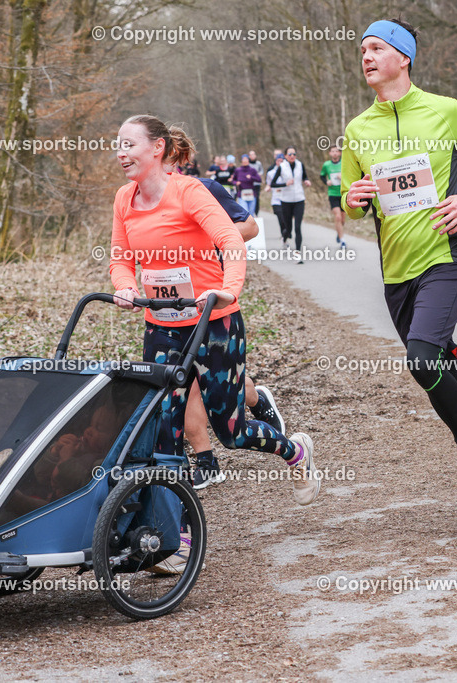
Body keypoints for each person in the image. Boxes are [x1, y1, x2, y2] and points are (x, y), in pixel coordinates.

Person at [342, 19, 457, 525]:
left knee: (422, 360)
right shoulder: (357, 129)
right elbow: (353, 201)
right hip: (396, 271)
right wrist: (353, 198)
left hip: (447, 257)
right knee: (442, 372)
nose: (366, 57)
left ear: (404, 57)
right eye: (362, 50)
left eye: (376, 48)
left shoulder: (446, 112)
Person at [110, 114, 320, 506]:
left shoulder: (190, 191)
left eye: (129, 144)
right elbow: (121, 258)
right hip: (161, 325)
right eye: (117, 146)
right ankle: (172, 529)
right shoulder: (124, 198)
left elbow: (231, 241)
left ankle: (295, 453)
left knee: (232, 431)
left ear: (157, 148)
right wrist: (125, 286)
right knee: (164, 429)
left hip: (214, 323)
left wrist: (228, 289)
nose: (121, 153)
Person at [161, 134, 287, 489]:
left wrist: (209, 242)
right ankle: (207, 460)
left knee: (204, 384)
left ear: (176, 158)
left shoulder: (205, 188)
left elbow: (249, 226)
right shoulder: (143, 200)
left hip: (213, 303)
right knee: (186, 384)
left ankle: (253, 403)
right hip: (172, 311)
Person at [279, 146, 311, 262]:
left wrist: (306, 181)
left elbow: (304, 176)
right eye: (290, 154)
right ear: (285, 156)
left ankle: (298, 254)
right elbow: (273, 183)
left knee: (297, 227)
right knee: (289, 229)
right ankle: (284, 238)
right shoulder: (282, 166)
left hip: (299, 199)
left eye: (294, 154)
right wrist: (285, 184)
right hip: (286, 200)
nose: (292, 156)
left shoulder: (300, 165)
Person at [320, 145, 347, 249]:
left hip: (343, 193)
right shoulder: (326, 165)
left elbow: (350, 176)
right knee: (338, 216)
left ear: (339, 153)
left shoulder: (344, 163)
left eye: (336, 151)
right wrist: (326, 182)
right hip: (332, 194)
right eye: (333, 151)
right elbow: (322, 176)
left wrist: (343, 177)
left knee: (343, 219)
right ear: (330, 153)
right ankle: (342, 240)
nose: (335, 153)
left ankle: (339, 232)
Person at [264, 150, 291, 243]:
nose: (280, 163)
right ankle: (284, 233)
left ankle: (286, 233)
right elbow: (269, 184)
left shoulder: (288, 172)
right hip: (276, 199)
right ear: (276, 161)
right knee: (280, 217)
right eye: (278, 161)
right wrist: (267, 187)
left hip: (286, 198)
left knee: (286, 218)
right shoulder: (271, 173)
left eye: (282, 161)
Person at [248, 150, 264, 216]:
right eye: (251, 155)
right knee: (250, 198)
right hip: (249, 184)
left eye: (253, 154)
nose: (252, 156)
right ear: (249, 156)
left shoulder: (258, 163)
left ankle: (256, 213)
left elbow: (261, 171)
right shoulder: (248, 164)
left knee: (257, 198)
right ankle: (250, 213)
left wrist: (258, 175)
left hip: (257, 184)